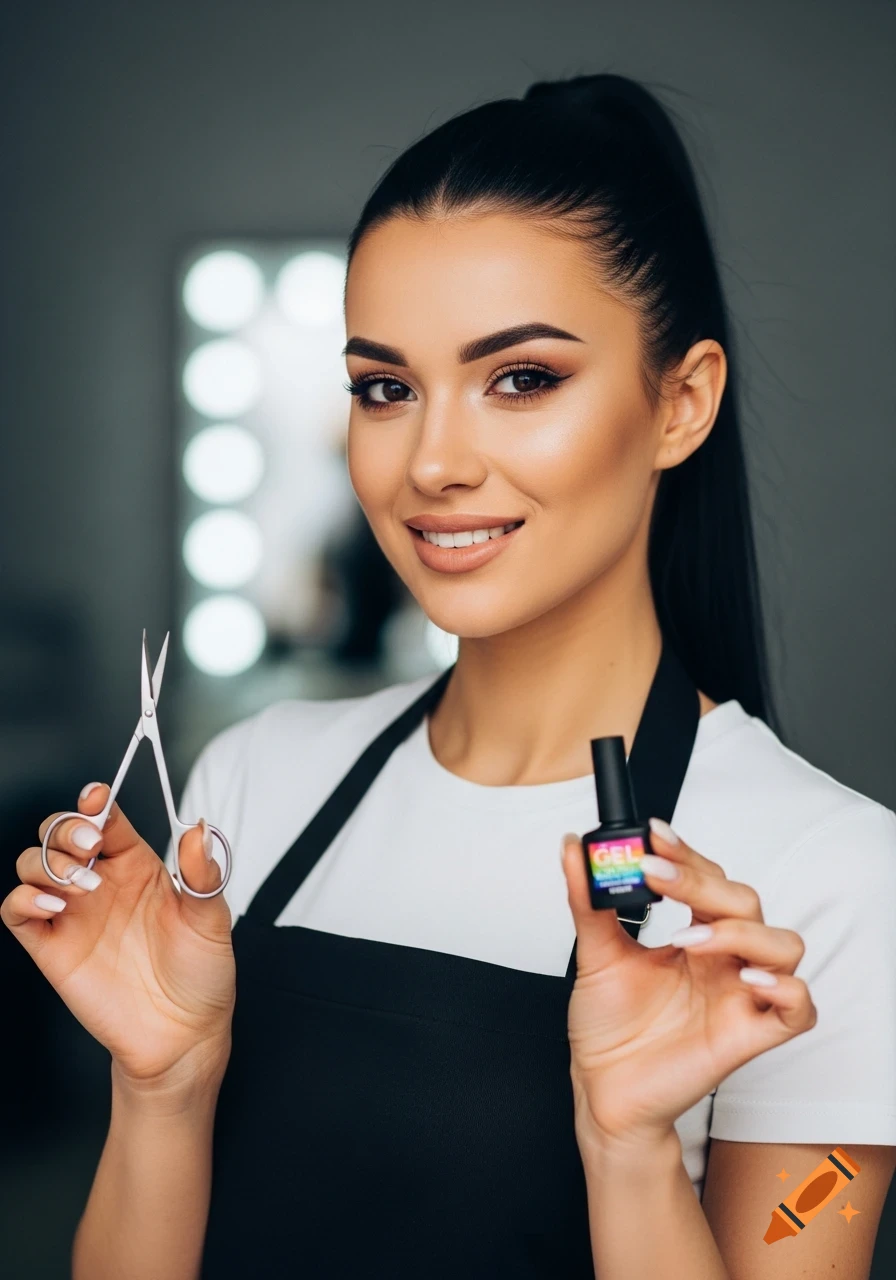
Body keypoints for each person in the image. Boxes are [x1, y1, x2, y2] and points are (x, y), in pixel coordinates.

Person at [4, 72, 896, 1280]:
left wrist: (628, 1148)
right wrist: (161, 1087)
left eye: (520, 378)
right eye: (385, 388)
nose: (430, 460)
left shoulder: (828, 878)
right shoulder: (255, 780)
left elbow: (816, 1217)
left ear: (679, 403)